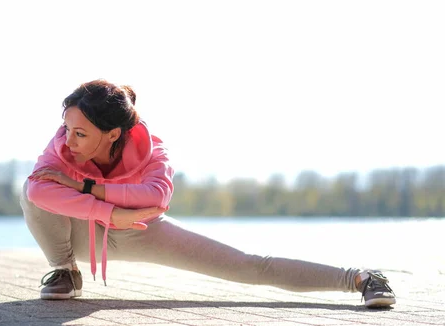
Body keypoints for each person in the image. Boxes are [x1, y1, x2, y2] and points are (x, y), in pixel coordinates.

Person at [20, 79, 396, 308]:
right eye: (66, 128)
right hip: (85, 233)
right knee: (30, 193)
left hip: (141, 230)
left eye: (80, 133)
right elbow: (38, 188)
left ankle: (360, 279)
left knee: (250, 265)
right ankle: (64, 271)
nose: (68, 141)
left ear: (113, 133)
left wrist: (85, 186)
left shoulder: (155, 152)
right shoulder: (60, 145)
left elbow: (155, 198)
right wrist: (106, 212)